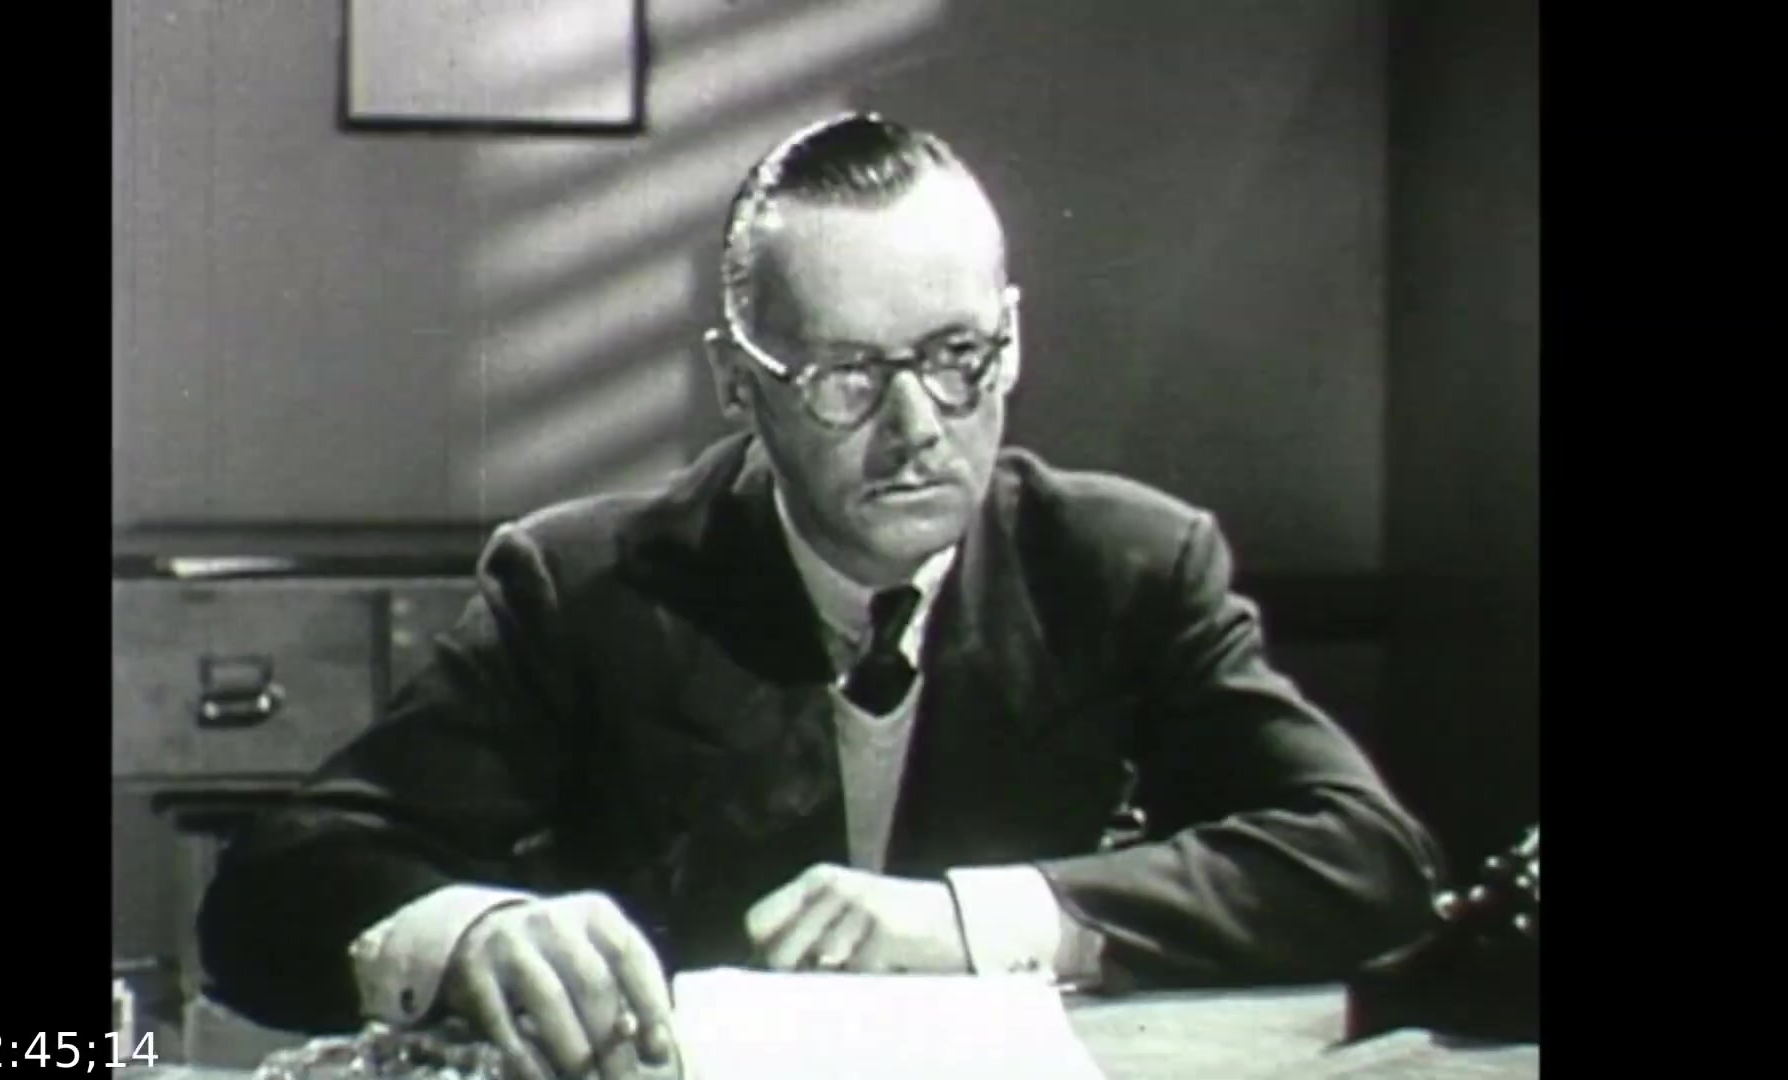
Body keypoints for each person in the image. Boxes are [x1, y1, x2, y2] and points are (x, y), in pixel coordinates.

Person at [197, 112, 1446, 1080]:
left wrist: (975, 922)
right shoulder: (587, 585)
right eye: (848, 374)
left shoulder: (1121, 564)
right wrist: (465, 932)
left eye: (960, 360)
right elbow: (270, 898)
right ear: (739, 384)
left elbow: (1367, 860)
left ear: (1010, 336)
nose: (919, 430)